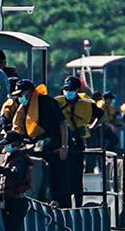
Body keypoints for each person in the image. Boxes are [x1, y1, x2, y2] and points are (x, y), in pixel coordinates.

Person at [9, 78, 71, 205]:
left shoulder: (48, 102)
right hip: (35, 149)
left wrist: (64, 146)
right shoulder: (23, 107)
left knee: (58, 181)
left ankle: (62, 207)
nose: (20, 97)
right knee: (38, 179)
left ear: (30, 91)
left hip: (53, 149)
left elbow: (62, 123)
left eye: (21, 94)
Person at [56, 75, 103, 205]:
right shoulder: (57, 102)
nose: (67, 92)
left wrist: (92, 127)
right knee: (62, 176)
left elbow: (100, 115)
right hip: (61, 143)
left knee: (77, 177)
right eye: (65, 89)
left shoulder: (87, 104)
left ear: (77, 89)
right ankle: (64, 204)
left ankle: (78, 204)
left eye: (70, 89)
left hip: (78, 142)